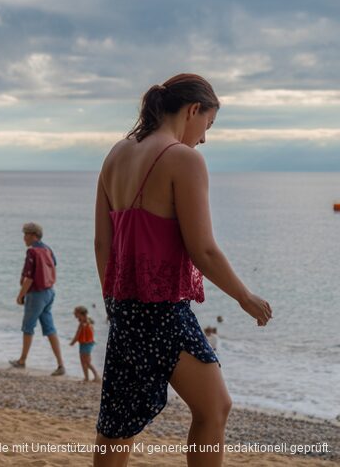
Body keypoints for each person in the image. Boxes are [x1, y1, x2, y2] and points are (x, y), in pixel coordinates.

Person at [93, 74, 271, 465]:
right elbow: (203, 249)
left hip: (124, 308)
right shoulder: (182, 159)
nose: (204, 138)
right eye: (207, 125)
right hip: (163, 311)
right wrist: (245, 296)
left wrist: (116, 304)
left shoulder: (116, 154)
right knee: (215, 408)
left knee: (117, 422)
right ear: (193, 110)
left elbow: (102, 244)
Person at [10, 222, 65, 376]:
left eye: (25, 235)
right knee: (49, 328)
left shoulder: (32, 252)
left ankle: (22, 361)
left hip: (36, 294)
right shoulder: (48, 249)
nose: (24, 238)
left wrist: (20, 295)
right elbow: (53, 265)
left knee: (28, 327)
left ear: (33, 235)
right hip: (49, 291)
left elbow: (29, 278)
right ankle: (61, 364)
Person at [70, 306, 100, 382]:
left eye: (76, 314)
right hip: (85, 344)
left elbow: (77, 334)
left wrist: (72, 342)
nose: (75, 316)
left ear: (81, 314)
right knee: (84, 361)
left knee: (87, 362)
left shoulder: (84, 323)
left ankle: (96, 376)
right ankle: (86, 377)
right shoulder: (87, 322)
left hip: (86, 344)